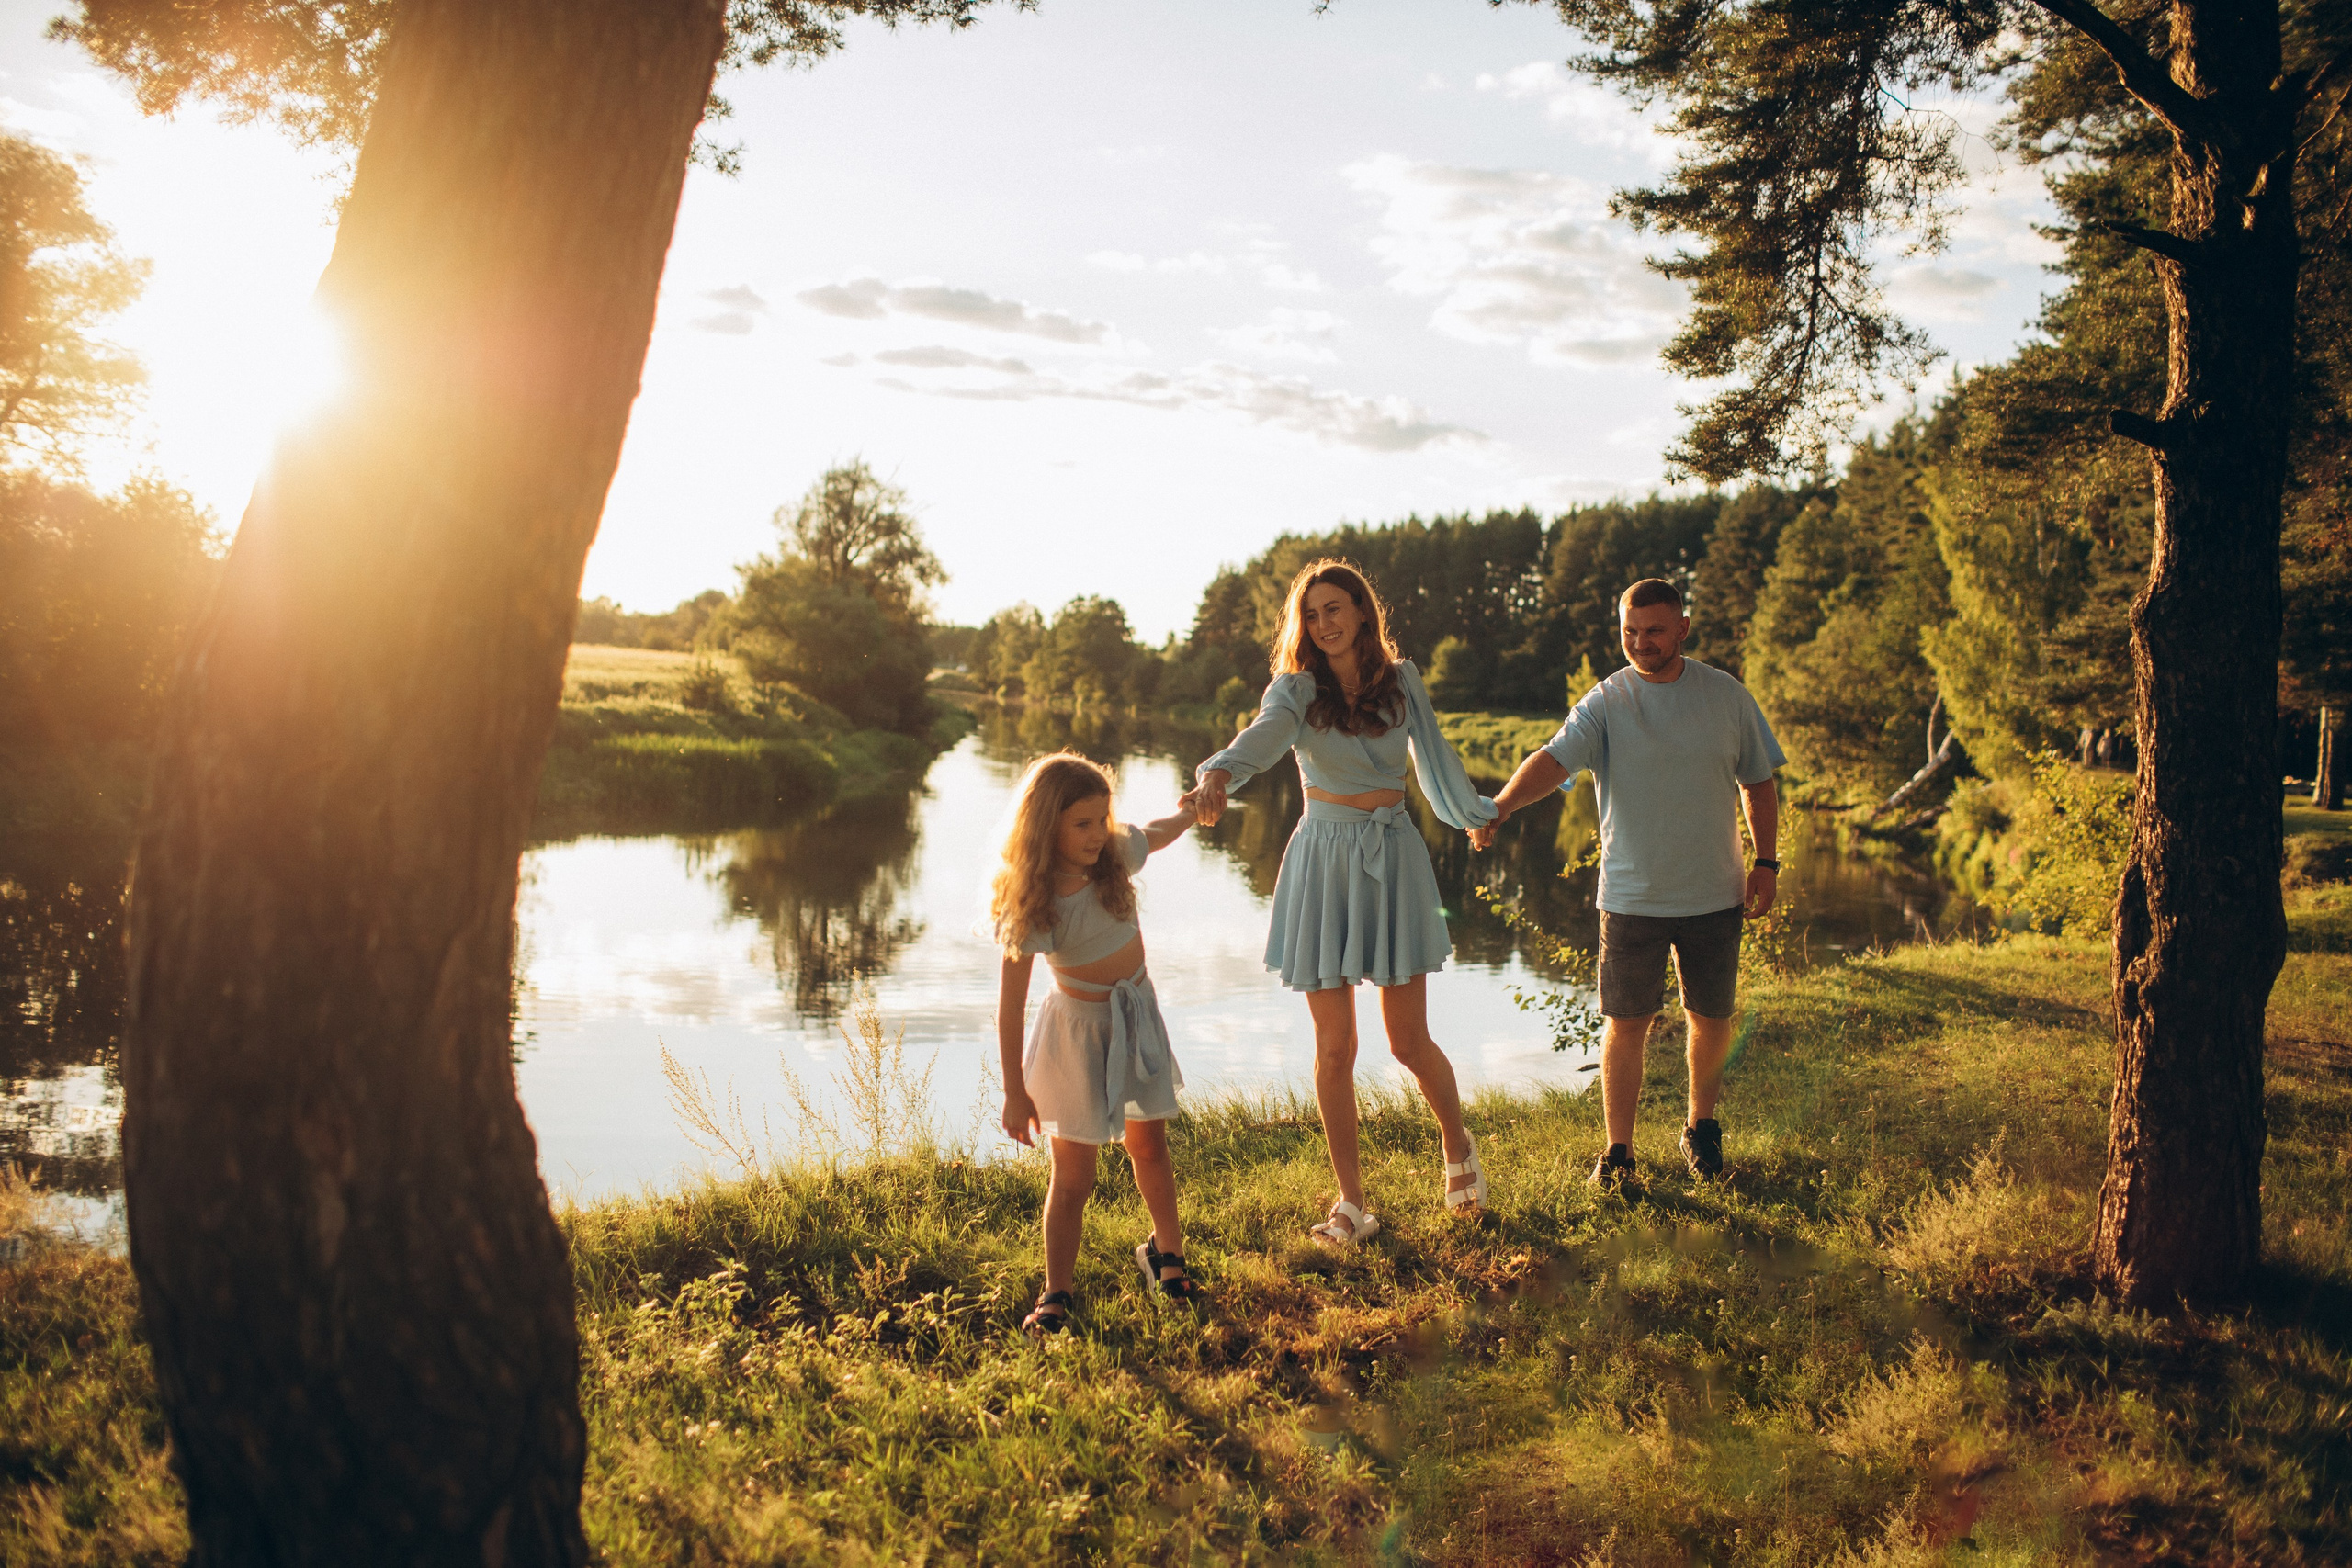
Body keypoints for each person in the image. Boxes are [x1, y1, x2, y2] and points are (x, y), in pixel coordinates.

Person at [1188, 559, 1498, 1245]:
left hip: (1393, 856)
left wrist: (1472, 810)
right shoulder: (1296, 690)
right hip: (1324, 860)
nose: (1323, 623)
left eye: (1335, 608)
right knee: (1336, 1047)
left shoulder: (1403, 680)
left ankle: (1457, 1146)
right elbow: (1262, 739)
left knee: (1408, 1039)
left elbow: (1436, 758)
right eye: (1311, 613)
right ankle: (1351, 1204)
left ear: (1363, 613)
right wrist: (1217, 772)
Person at [1473, 577, 1783, 1191]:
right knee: (1624, 1022)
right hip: (1632, 897)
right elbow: (1555, 759)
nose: (1640, 643)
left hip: (1714, 892)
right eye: (1629, 632)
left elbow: (1759, 783)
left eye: (1654, 631)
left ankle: (1702, 1130)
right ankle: (1619, 1151)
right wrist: (1503, 804)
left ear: (1683, 629)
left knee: (1710, 1017)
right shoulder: (1607, 700)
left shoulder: (1726, 696)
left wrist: (1766, 863)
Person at [991, 752, 1205, 1337]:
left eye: (1100, 819)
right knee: (1073, 1176)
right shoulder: (1033, 901)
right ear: (1045, 827)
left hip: (1135, 1023)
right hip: (1076, 1035)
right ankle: (1056, 1291)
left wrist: (1191, 811)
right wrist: (1015, 1092)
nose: (1094, 835)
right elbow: (1010, 1006)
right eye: (1080, 824)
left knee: (1149, 1147)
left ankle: (1167, 1256)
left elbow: (1155, 834)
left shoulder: (1113, 855)